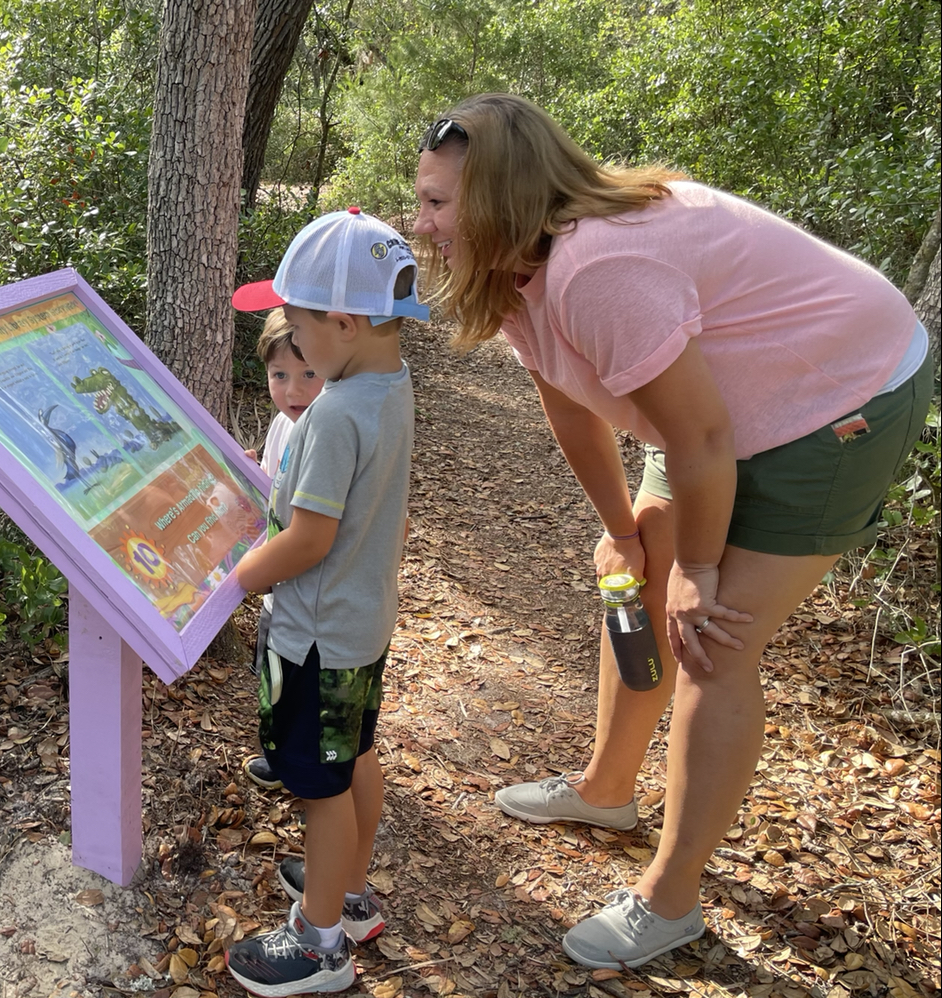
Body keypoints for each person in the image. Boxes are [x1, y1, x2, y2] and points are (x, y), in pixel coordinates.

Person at [410, 94, 932, 970]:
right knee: (634, 584)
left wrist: (699, 569)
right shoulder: (507, 267)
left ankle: (671, 897)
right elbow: (570, 406)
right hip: (714, 413)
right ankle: (605, 790)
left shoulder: (599, 268)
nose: (419, 222)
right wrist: (622, 530)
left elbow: (702, 440)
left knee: (711, 642)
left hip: (840, 397)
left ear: (502, 199)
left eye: (435, 203)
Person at [224, 206, 429, 996]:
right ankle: (346, 893)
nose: (294, 342)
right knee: (353, 756)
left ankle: (318, 946)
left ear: (342, 323)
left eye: (299, 327)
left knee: (319, 788)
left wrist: (234, 580)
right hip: (359, 624)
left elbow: (308, 539)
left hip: (313, 635)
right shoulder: (387, 383)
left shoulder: (335, 413)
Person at [241, 312, 323, 793]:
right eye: (279, 375)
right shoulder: (281, 424)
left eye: (309, 372)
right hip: (279, 591)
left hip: (306, 593)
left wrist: (251, 574)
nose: (293, 390)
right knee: (273, 678)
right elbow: (275, 488)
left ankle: (304, 763)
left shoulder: (325, 431)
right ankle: (280, 755)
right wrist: (252, 475)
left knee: (302, 684)